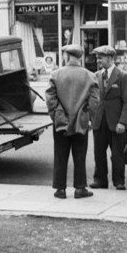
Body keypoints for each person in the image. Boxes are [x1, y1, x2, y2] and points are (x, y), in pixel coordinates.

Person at [45, 44, 99, 199]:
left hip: (61, 122)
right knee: (80, 156)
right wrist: (87, 115)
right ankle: (80, 188)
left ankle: (60, 189)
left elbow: (50, 98)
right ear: (79, 57)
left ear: (67, 56)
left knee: (60, 156)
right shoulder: (89, 75)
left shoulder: (56, 74)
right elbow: (95, 100)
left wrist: (55, 114)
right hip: (81, 122)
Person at [90, 46, 127, 190]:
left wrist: (122, 122)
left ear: (110, 58)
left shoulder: (122, 76)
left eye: (100, 57)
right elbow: (92, 99)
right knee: (99, 153)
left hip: (116, 123)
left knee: (117, 155)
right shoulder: (95, 76)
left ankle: (119, 181)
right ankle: (100, 180)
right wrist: (92, 118)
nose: (98, 60)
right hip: (99, 122)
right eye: (97, 57)